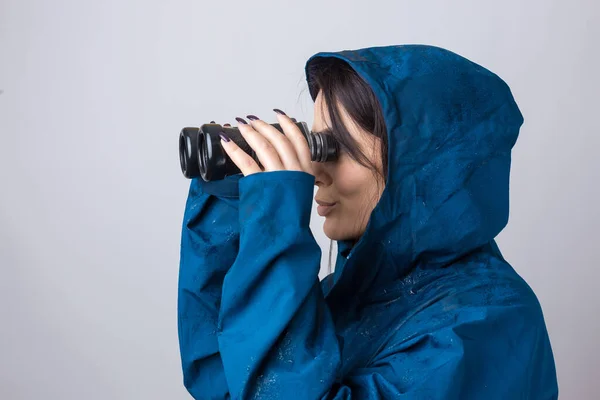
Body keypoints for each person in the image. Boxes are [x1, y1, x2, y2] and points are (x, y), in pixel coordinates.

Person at [177, 44, 558, 399]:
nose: (316, 174)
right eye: (317, 145)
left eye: (337, 150)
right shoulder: (355, 295)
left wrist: (275, 222)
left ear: (420, 169)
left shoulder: (487, 324)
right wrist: (226, 202)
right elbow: (225, 380)